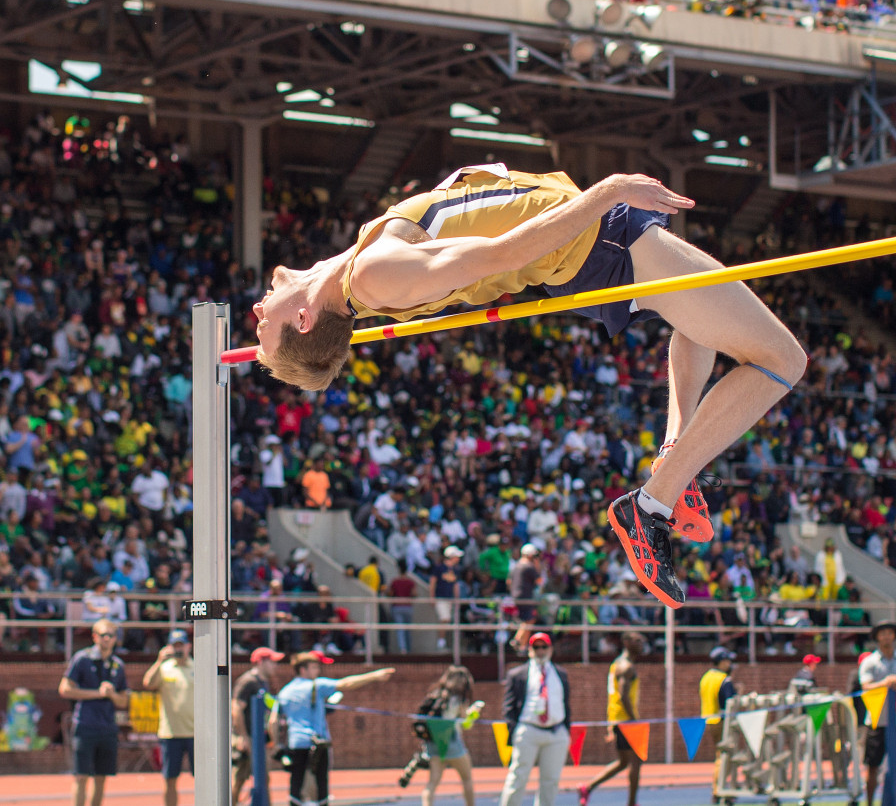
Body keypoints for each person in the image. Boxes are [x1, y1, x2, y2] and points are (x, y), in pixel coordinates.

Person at [251, 165, 806, 608]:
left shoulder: (349, 270)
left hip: (593, 243)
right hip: (600, 242)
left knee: (700, 321)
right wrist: (611, 189)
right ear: (303, 320)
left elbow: (317, 309)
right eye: (263, 328)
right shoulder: (375, 275)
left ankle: (674, 457)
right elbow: (504, 254)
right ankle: (651, 504)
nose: (255, 311)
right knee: (782, 360)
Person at [268, 651, 394, 806]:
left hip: (296, 743)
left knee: (296, 783)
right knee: (321, 783)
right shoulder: (316, 685)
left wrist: (277, 745)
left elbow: (273, 721)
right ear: (303, 669)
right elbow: (346, 684)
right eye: (314, 667)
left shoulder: (285, 691)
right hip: (317, 743)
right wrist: (374, 676)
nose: (317, 671)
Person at [59, 619, 130, 806]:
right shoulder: (82, 658)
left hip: (107, 727)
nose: (107, 639)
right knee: (81, 776)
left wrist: (112, 694)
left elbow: (124, 700)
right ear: (95, 637)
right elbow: (65, 689)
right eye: (103, 635)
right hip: (85, 725)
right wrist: (97, 693)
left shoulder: (118, 665)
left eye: (111, 635)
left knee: (101, 777)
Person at [499, 632, 572, 806]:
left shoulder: (560, 674)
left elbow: (565, 703)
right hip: (529, 729)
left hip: (556, 731)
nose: (540, 651)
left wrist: (565, 730)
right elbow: (509, 707)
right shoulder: (518, 674)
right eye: (536, 647)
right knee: (518, 777)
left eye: (544, 647)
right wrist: (515, 730)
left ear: (550, 649)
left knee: (550, 780)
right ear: (530, 650)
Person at [577, 631, 644, 806]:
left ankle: (587, 787)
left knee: (624, 762)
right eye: (637, 640)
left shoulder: (619, 664)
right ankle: (632, 803)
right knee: (636, 761)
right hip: (626, 721)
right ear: (626, 642)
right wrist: (633, 719)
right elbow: (622, 696)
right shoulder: (625, 667)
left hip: (618, 719)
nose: (642, 644)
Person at [859, 621, 896, 806]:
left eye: (889, 633)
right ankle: (869, 803)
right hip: (876, 720)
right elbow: (865, 686)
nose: (886, 637)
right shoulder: (869, 662)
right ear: (877, 637)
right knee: (872, 766)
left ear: (894, 636)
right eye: (882, 633)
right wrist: (885, 683)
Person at [415, 665, 485, 806]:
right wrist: (474, 713)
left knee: (432, 782)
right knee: (467, 779)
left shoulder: (435, 695)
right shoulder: (459, 700)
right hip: (453, 744)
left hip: (434, 744)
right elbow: (466, 724)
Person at [141, 629, 195, 806]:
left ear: (189, 646)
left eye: (181, 646)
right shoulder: (164, 668)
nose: (179, 649)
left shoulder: (198, 667)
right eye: (175, 646)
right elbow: (148, 683)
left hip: (195, 733)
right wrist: (159, 661)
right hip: (171, 733)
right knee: (170, 778)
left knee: (203, 777)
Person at [231, 646, 285, 806]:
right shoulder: (248, 681)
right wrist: (243, 737)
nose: (275, 665)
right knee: (239, 778)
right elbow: (236, 708)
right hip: (248, 737)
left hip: (258, 738)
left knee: (262, 777)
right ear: (261, 662)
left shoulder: (263, 682)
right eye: (272, 662)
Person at [699, 646, 736, 803]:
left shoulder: (706, 677)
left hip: (709, 719)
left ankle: (720, 788)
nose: (730, 664)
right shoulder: (724, 679)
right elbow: (730, 702)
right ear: (722, 662)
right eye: (728, 660)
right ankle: (719, 789)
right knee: (725, 756)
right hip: (722, 721)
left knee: (720, 756)